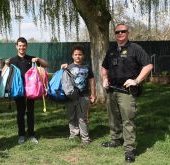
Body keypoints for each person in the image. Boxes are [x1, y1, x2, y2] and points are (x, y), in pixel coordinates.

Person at [101, 23, 153, 163]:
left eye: (123, 31)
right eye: (117, 32)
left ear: (128, 33)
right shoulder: (111, 50)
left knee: (127, 120)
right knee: (113, 118)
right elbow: (104, 68)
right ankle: (115, 140)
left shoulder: (135, 48)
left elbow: (148, 65)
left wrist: (136, 80)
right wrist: (105, 79)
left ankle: (129, 149)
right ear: (115, 34)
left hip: (126, 91)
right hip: (111, 90)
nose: (120, 34)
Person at [7, 37, 48, 144]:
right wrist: (6, 64)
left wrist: (38, 60)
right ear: (16, 46)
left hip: (31, 90)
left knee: (30, 112)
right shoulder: (12, 60)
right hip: (19, 91)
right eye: (20, 45)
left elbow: (45, 65)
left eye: (24, 45)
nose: (22, 48)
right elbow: (6, 74)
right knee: (20, 113)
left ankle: (31, 134)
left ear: (26, 46)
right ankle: (21, 135)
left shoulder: (31, 58)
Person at [61, 45, 96, 146]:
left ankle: (85, 138)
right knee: (71, 117)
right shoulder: (68, 68)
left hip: (83, 96)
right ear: (72, 56)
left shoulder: (87, 68)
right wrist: (62, 68)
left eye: (80, 54)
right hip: (70, 97)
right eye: (76, 54)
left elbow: (92, 81)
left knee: (82, 118)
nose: (78, 56)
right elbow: (63, 80)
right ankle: (74, 135)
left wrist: (93, 94)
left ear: (83, 56)